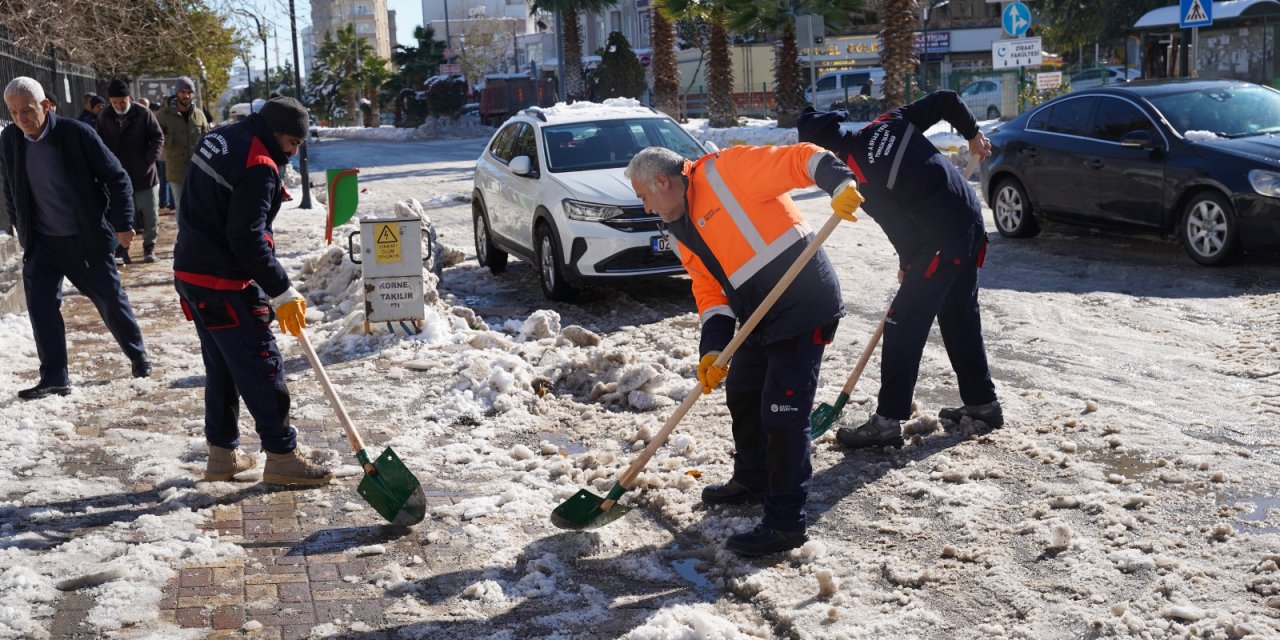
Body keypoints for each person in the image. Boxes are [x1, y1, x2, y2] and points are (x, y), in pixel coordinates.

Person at [625, 144, 864, 556]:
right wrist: (713, 350)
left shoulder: (726, 171)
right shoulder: (679, 228)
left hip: (802, 304)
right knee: (743, 393)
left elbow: (801, 158)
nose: (646, 208)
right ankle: (754, 478)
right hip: (758, 315)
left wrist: (840, 182)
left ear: (662, 181)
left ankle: (786, 523)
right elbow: (709, 292)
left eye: (644, 197)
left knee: (783, 415)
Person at [796, 90, 1002, 450]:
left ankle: (887, 421)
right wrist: (972, 133)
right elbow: (946, 100)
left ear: (826, 153)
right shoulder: (886, 123)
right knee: (958, 317)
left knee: (901, 321)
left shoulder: (859, 175)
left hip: (944, 237)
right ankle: (983, 405)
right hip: (968, 220)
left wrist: (909, 264)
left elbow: (900, 230)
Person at [172, 96, 333, 486]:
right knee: (262, 364)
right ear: (277, 134)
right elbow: (246, 238)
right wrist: (282, 289)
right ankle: (281, 456)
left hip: (192, 271)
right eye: (292, 145)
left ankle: (223, 455)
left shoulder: (224, 134)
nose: (292, 155)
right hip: (221, 281)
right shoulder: (259, 164)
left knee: (224, 367)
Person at [0, 77, 151, 400]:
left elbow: (117, 177)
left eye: (27, 111)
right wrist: (21, 227)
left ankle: (137, 355)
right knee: (41, 308)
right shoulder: (10, 139)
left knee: (110, 300)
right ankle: (55, 376)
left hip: (84, 239)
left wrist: (123, 223)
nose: (21, 119)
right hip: (42, 243)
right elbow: (11, 188)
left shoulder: (76, 134)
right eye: (13, 113)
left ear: (45, 106)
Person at [97, 78, 164, 264]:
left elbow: (158, 138)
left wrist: (148, 161)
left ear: (130, 98)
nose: (119, 105)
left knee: (150, 215)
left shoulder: (144, 113)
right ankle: (122, 250)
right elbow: (99, 144)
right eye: (115, 102)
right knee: (125, 216)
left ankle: (149, 248)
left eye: (122, 101)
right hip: (118, 178)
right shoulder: (104, 116)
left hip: (145, 176)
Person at [156, 77, 210, 217]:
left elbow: (207, 137)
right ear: (176, 93)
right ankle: (185, 238)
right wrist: (172, 139)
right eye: (182, 92)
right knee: (182, 208)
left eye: (189, 92)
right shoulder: (164, 114)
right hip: (176, 171)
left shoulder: (199, 115)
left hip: (198, 169)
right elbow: (155, 136)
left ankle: (199, 237)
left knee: (199, 206)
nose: (186, 95)